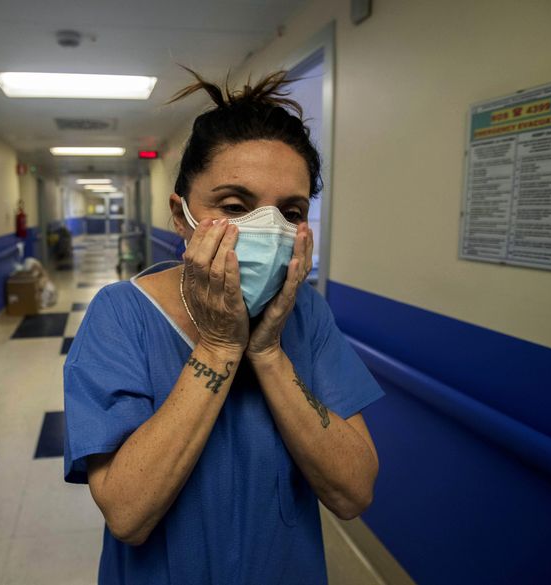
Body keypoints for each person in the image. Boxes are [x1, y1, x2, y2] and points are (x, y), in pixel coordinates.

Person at [63, 70, 384, 585]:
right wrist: (218, 346)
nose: (267, 229)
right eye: (235, 206)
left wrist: (269, 353)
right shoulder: (120, 315)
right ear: (181, 214)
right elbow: (126, 513)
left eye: (290, 211)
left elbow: (353, 493)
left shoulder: (308, 314)